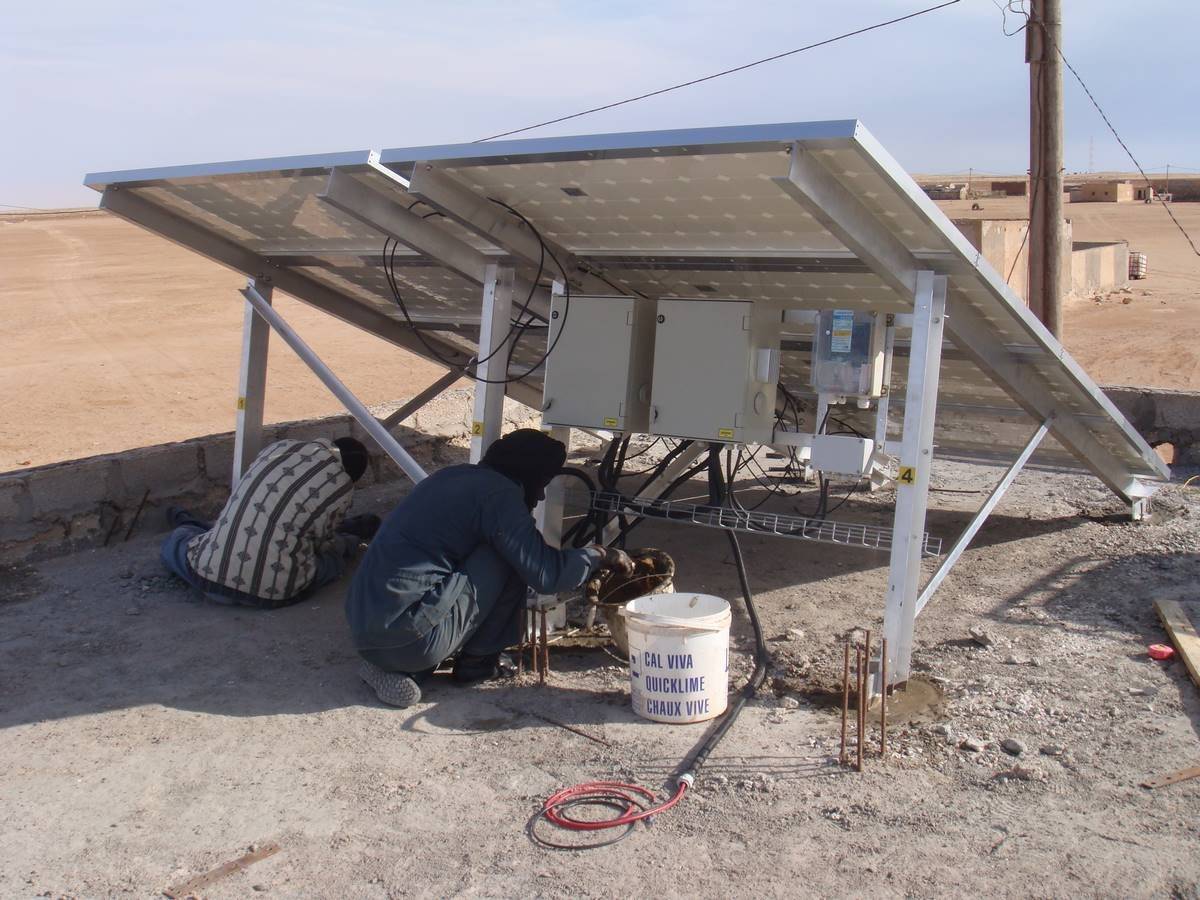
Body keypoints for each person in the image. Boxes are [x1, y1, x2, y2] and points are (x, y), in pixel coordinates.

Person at [345, 428, 633, 708]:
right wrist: (597, 555)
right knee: (509, 554)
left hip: (363, 627)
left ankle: (393, 667)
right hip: (411, 639)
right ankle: (477, 663)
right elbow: (546, 573)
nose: (542, 496)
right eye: (542, 483)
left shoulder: (451, 476)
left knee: (483, 552)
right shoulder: (500, 496)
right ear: (527, 474)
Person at [161, 437, 380, 609]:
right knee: (333, 559)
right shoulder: (342, 489)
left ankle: (201, 530)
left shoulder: (280, 448)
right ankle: (352, 540)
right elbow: (322, 546)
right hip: (275, 592)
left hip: (207, 577)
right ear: (351, 478)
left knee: (180, 537)